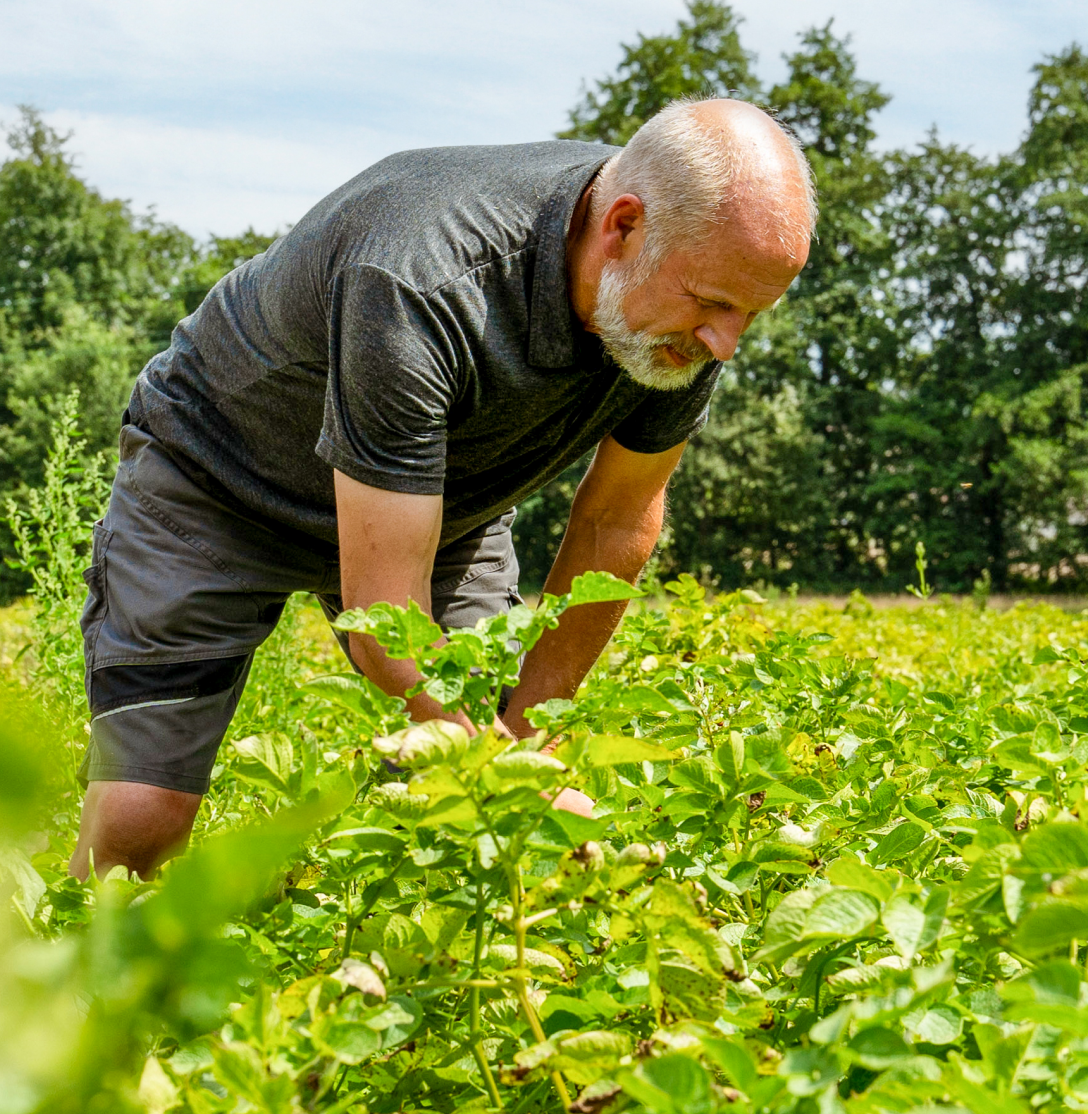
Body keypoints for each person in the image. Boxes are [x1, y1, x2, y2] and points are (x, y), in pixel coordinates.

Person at [68, 97, 815, 880]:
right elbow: (383, 616)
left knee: (478, 824)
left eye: (751, 314)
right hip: (217, 485)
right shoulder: (421, 277)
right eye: (714, 304)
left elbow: (617, 520)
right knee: (139, 827)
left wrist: (525, 746)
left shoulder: (683, 320)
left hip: (439, 510)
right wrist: (493, 769)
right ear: (622, 226)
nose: (725, 343)